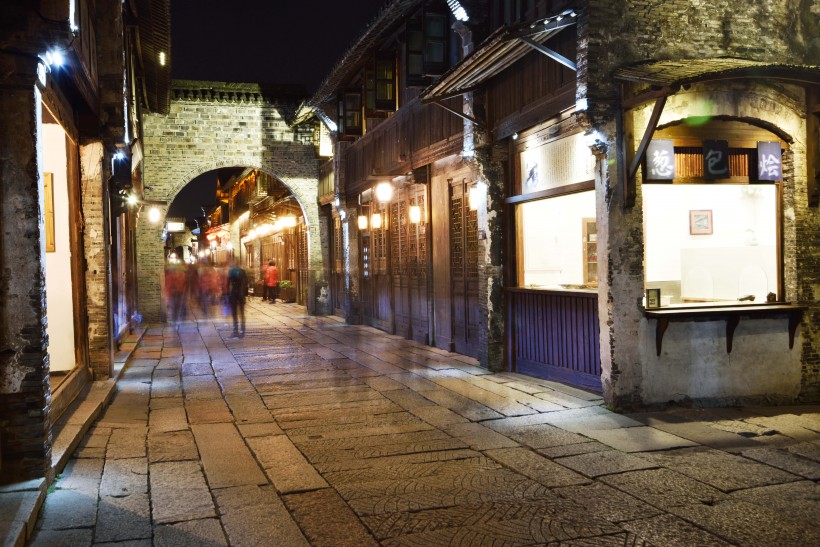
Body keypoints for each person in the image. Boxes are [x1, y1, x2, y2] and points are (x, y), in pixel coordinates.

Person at [225, 259, 248, 337]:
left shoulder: (231, 272)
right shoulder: (242, 272)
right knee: (241, 313)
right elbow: (246, 284)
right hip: (241, 294)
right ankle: (242, 330)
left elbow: (227, 285)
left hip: (233, 294)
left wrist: (227, 294)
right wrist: (245, 295)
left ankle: (235, 330)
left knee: (234, 313)